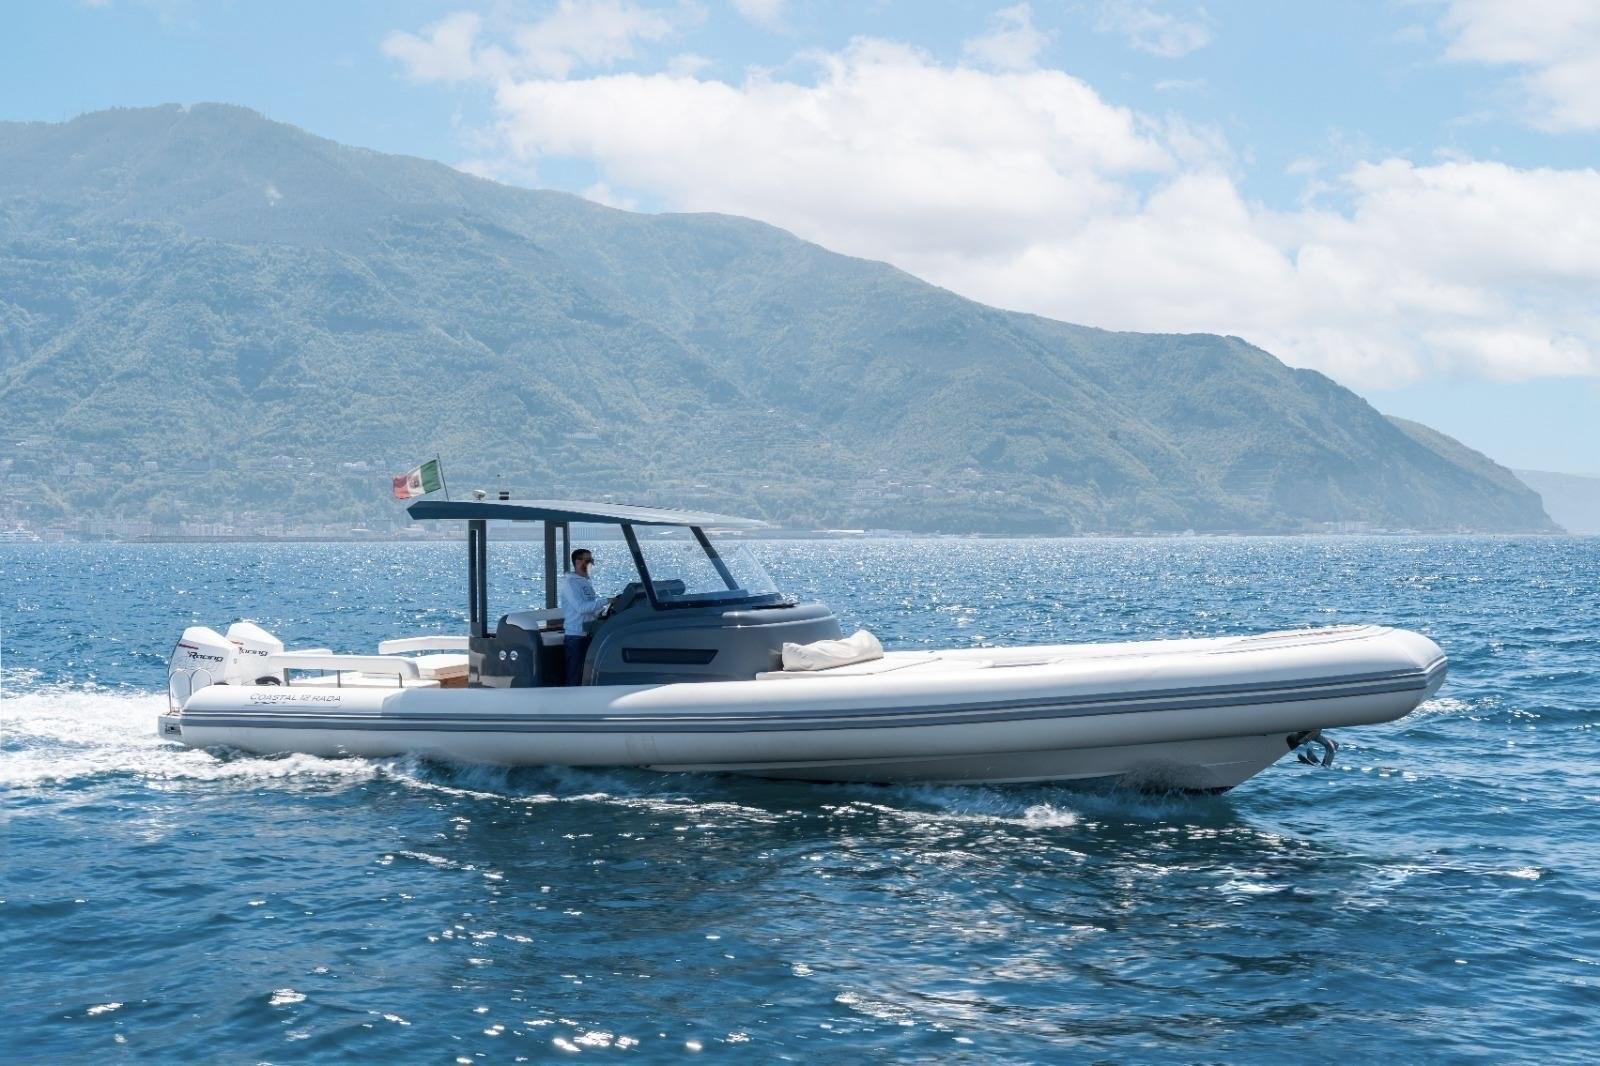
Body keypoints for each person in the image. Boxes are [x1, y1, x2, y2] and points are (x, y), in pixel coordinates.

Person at [559, 548, 609, 685]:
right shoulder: (570, 583)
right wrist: (606, 601)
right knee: (574, 678)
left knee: (585, 677)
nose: (591, 563)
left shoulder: (585, 582)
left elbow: (591, 608)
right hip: (575, 636)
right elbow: (581, 608)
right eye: (588, 560)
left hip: (588, 634)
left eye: (591, 560)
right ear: (577, 562)